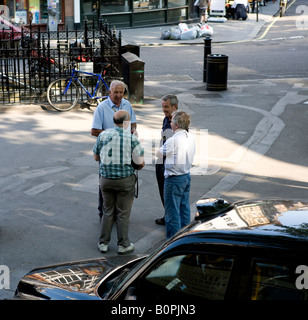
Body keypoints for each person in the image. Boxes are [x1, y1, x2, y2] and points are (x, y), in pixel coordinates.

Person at [93, 110, 145, 254]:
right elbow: (140, 163)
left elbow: (96, 157)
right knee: (123, 213)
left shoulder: (103, 135)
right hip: (125, 181)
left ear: (114, 121)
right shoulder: (132, 138)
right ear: (126, 123)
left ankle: (103, 243)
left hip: (106, 180)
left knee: (107, 210)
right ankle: (123, 244)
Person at [91, 80, 137, 220]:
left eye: (121, 92)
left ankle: (119, 213)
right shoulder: (102, 108)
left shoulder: (127, 105)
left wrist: (133, 132)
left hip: (124, 151)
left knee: (122, 183)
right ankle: (103, 213)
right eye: (115, 92)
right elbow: (94, 131)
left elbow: (133, 124)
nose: (118, 95)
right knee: (106, 183)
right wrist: (113, 135)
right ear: (109, 92)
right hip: (108, 152)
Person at [156, 111, 196, 239]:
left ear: (177, 124)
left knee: (172, 212)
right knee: (184, 208)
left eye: (172, 121)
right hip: (185, 176)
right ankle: (185, 235)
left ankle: (173, 240)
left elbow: (159, 154)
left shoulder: (173, 140)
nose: (170, 123)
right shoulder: (190, 137)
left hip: (173, 179)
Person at [155, 94, 178, 226]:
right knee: (163, 191)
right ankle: (168, 214)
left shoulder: (178, 122)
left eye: (167, 107)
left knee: (169, 194)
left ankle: (172, 220)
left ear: (175, 107)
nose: (164, 109)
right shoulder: (166, 119)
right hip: (161, 161)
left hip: (169, 163)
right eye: (163, 107)